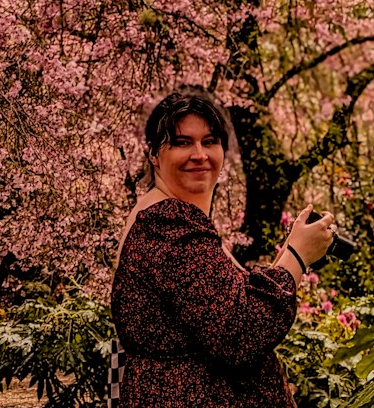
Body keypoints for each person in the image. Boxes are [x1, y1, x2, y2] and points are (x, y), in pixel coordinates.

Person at [110, 88, 337, 407]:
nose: (199, 154)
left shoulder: (164, 217)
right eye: (181, 142)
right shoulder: (170, 223)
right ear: (154, 154)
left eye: (210, 141)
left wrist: (288, 251)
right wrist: (298, 257)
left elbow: (219, 308)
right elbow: (238, 334)